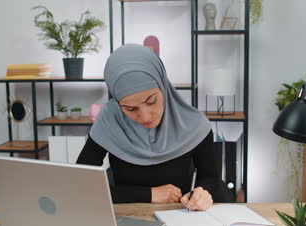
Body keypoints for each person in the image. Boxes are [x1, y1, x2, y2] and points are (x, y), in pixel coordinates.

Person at [76, 44, 234, 211]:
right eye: (130, 109)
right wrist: (149, 194)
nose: (145, 117)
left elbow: (209, 177)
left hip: (180, 217)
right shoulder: (108, 122)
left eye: (151, 101)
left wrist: (202, 193)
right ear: (117, 102)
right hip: (126, 219)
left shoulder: (195, 125)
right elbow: (82, 184)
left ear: (163, 86)